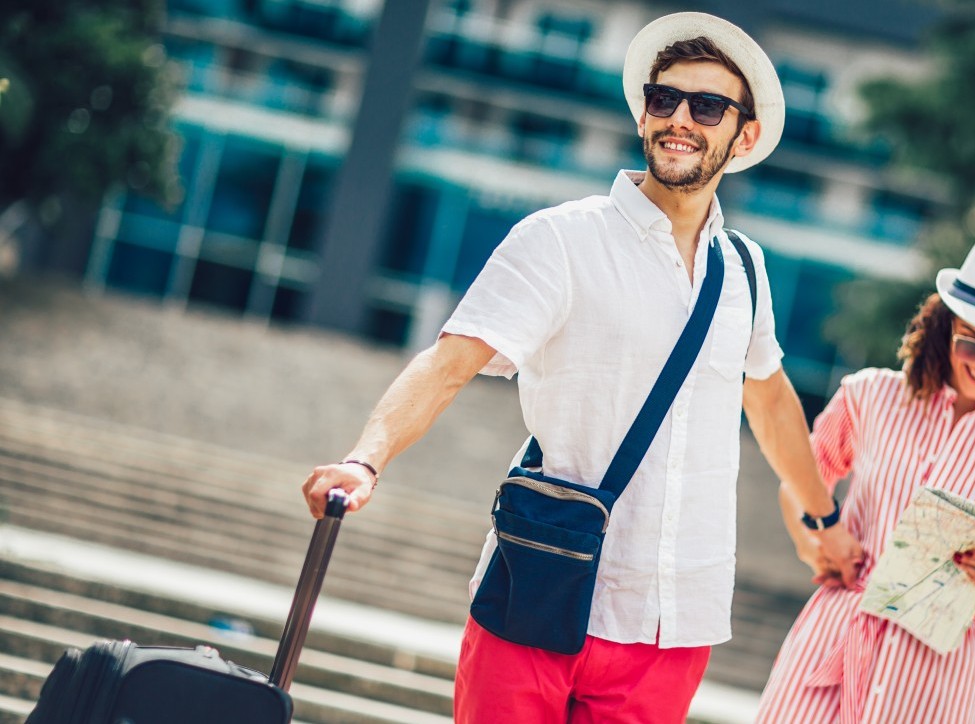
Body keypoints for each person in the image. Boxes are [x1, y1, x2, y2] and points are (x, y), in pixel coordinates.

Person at [301, 11, 862, 723]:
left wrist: (823, 518)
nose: (680, 119)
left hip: (673, 624)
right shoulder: (561, 240)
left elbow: (772, 402)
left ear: (744, 135)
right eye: (664, 100)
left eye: (708, 106)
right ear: (643, 115)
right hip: (541, 588)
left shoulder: (745, 268)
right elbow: (450, 363)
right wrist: (365, 459)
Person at [756, 235, 975, 723]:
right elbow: (798, 481)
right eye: (973, 344)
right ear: (945, 328)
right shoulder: (866, 396)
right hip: (832, 646)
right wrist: (817, 542)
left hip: (938, 685)